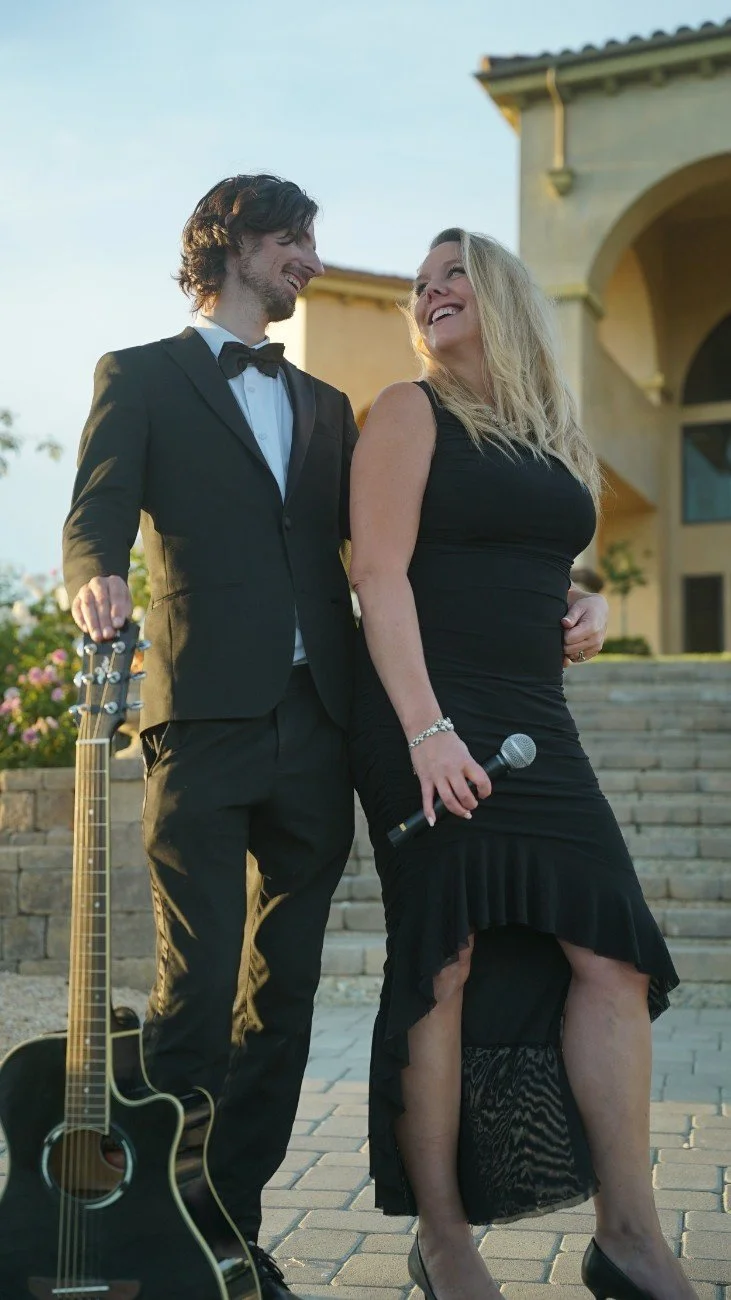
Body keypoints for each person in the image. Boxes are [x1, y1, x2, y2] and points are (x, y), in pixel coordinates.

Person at [348, 230, 695, 1300]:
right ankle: (444, 1238)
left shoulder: (549, 433)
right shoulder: (410, 410)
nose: (429, 290)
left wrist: (583, 601)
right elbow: (380, 573)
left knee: (612, 958)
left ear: (497, 293)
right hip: (427, 713)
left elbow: (547, 561)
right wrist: (424, 729)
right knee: (442, 965)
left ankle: (628, 1234)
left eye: (452, 272)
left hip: (535, 722)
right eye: (421, 282)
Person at [63, 173, 358, 1300]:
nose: (311, 261)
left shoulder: (326, 404)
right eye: (295, 239)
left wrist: (562, 592)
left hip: (316, 726)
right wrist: (93, 581)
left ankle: (230, 1230)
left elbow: (389, 540)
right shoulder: (138, 376)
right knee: (191, 996)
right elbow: (94, 517)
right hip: (199, 719)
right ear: (231, 241)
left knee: (280, 999)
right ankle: (150, 1237)